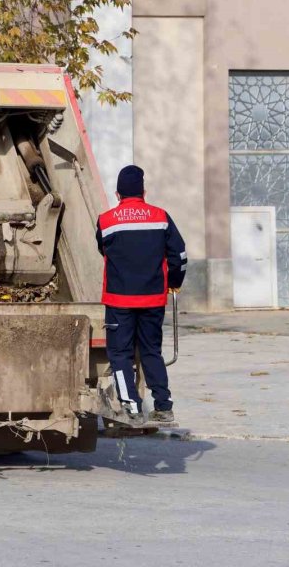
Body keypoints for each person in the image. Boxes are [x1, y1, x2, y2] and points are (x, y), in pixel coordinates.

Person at [96, 165, 186, 425]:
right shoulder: (161, 217)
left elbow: (103, 249)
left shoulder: (106, 220)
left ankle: (132, 408)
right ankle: (163, 406)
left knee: (120, 354)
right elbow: (179, 257)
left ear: (117, 194)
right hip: (153, 298)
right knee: (151, 351)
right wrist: (174, 282)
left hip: (119, 299)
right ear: (143, 192)